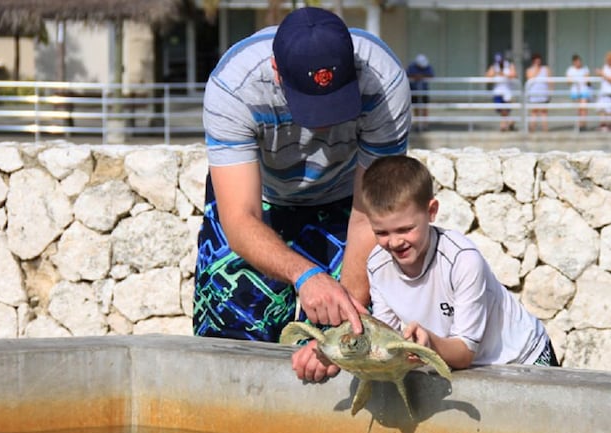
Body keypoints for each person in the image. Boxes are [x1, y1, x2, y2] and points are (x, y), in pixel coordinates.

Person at [193, 7, 412, 346]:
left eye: (336, 101)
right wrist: (305, 274)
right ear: (276, 71)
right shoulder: (233, 87)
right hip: (258, 201)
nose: (323, 123)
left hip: (347, 199)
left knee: (343, 344)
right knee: (232, 343)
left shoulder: (384, 80)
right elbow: (240, 218)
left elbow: (373, 210)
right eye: (309, 104)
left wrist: (341, 322)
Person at [290, 155, 558, 382]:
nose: (394, 242)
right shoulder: (377, 264)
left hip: (524, 357)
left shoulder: (462, 261)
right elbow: (385, 335)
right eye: (381, 232)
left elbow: (464, 354)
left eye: (405, 229)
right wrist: (333, 350)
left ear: (431, 212)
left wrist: (428, 343)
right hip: (467, 365)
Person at [485, 53, 517, 131]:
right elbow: (488, 76)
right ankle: (510, 122)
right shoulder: (494, 67)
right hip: (497, 92)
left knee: (505, 110)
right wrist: (496, 72)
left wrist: (503, 74)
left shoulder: (509, 65)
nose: (500, 63)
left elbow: (514, 75)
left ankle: (503, 126)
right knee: (500, 110)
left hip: (507, 92)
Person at [406, 54, 435, 132]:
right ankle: (417, 124)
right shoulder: (412, 66)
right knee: (416, 108)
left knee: (425, 107)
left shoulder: (428, 67)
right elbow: (407, 75)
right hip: (414, 90)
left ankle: (425, 124)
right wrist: (415, 77)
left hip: (424, 90)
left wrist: (422, 76)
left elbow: (431, 75)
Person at [595, 50, 611, 131]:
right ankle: (603, 125)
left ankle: (610, 126)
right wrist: (600, 73)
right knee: (600, 108)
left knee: (609, 109)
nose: (607, 61)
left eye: (609, 59)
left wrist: (602, 74)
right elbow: (603, 75)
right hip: (603, 91)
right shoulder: (605, 66)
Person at [525, 53, 551, 132]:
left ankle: (545, 130)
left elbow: (550, 80)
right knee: (534, 112)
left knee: (544, 112)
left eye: (538, 59)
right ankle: (532, 129)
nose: (538, 61)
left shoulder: (546, 69)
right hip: (534, 94)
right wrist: (536, 69)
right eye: (536, 60)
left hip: (543, 93)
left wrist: (550, 91)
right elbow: (530, 78)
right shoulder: (529, 70)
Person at [566, 54, 592, 131]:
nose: (578, 63)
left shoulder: (585, 69)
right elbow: (568, 81)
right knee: (579, 109)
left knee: (584, 107)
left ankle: (583, 124)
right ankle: (580, 125)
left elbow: (588, 80)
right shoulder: (570, 70)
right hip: (575, 91)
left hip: (584, 90)